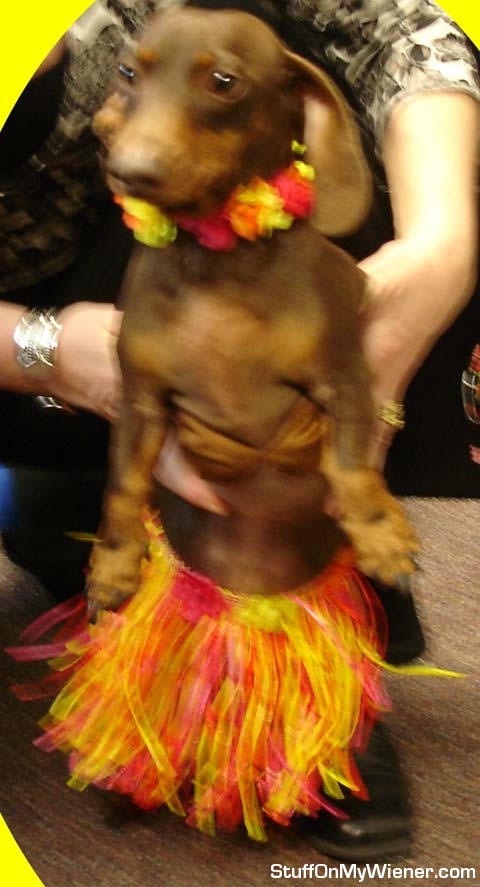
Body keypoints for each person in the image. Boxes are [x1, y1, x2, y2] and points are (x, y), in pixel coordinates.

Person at [0, 0, 478, 860]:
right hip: (63, 316)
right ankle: (162, 698)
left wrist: (446, 238)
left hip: (202, 261)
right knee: (83, 532)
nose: (135, 145)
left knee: (283, 506)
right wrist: (37, 350)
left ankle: (324, 675)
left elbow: (396, 26)